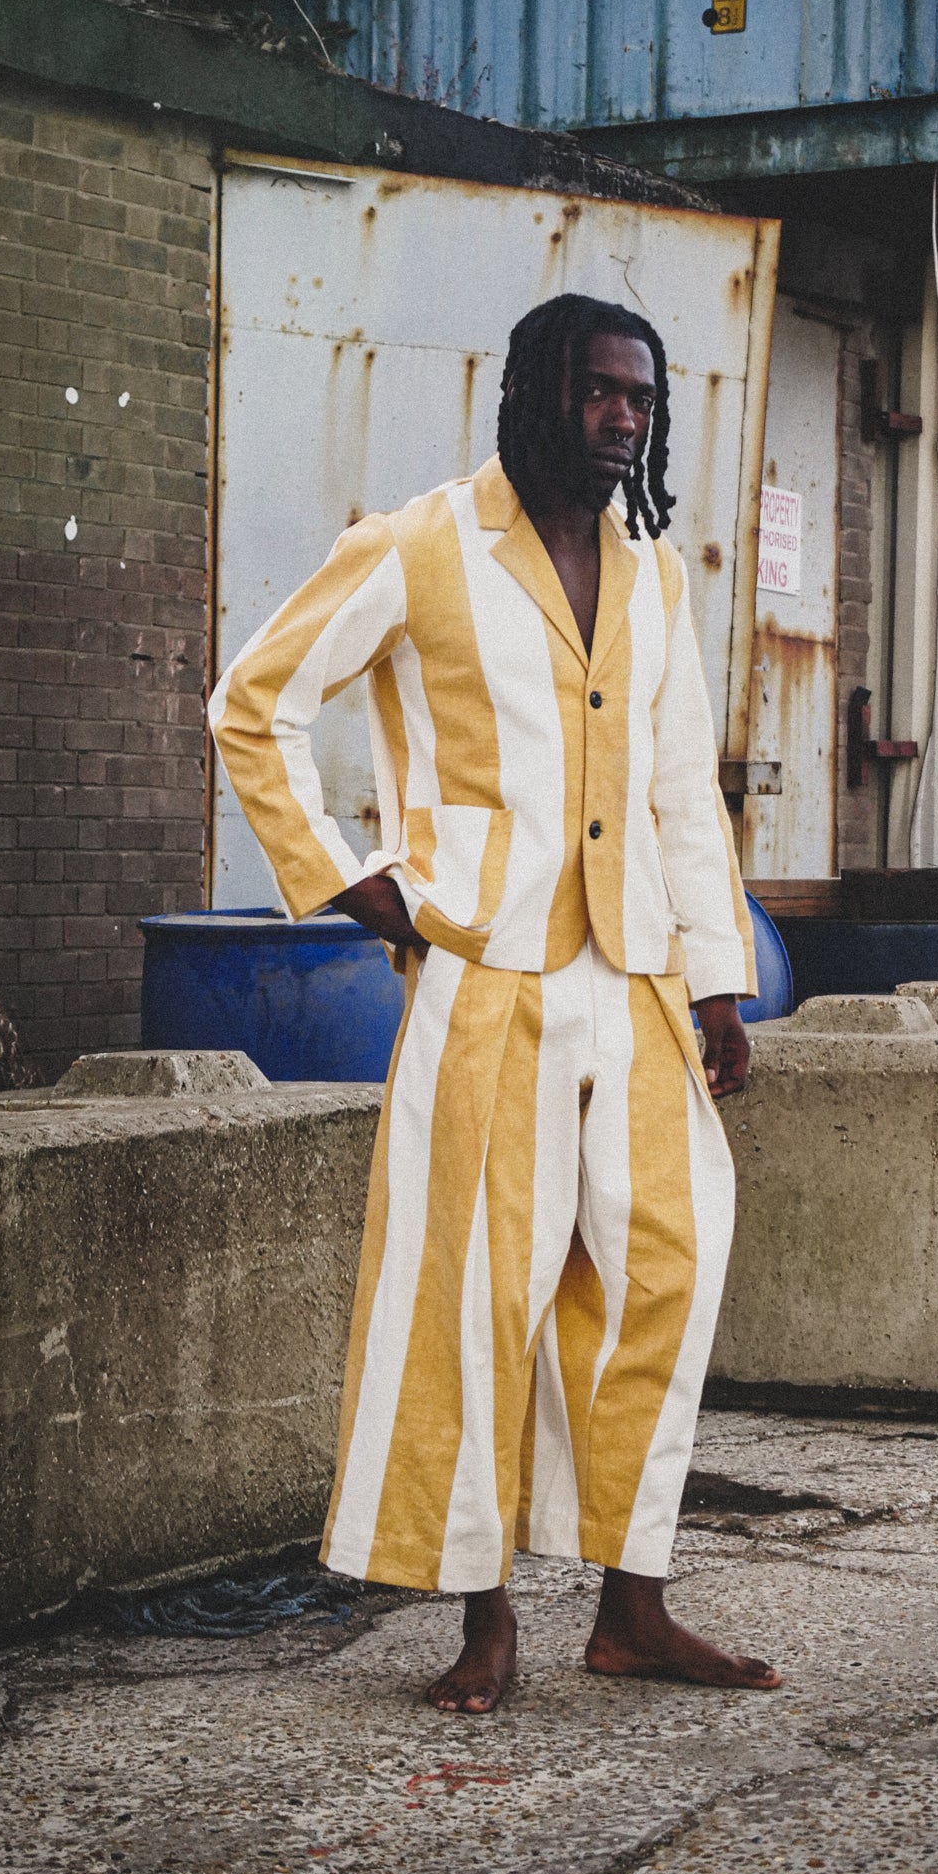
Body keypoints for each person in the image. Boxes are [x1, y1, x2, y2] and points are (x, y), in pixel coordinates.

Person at [209, 293, 781, 1712]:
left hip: (637, 981)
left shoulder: (653, 572)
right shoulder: (420, 547)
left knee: (665, 1272)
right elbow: (254, 705)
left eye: (642, 397)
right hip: (486, 981)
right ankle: (486, 1621)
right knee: (478, 1294)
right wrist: (348, 879)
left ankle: (634, 1609)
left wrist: (721, 981)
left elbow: (681, 790)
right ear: (536, 395)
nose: (625, 417)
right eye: (599, 391)